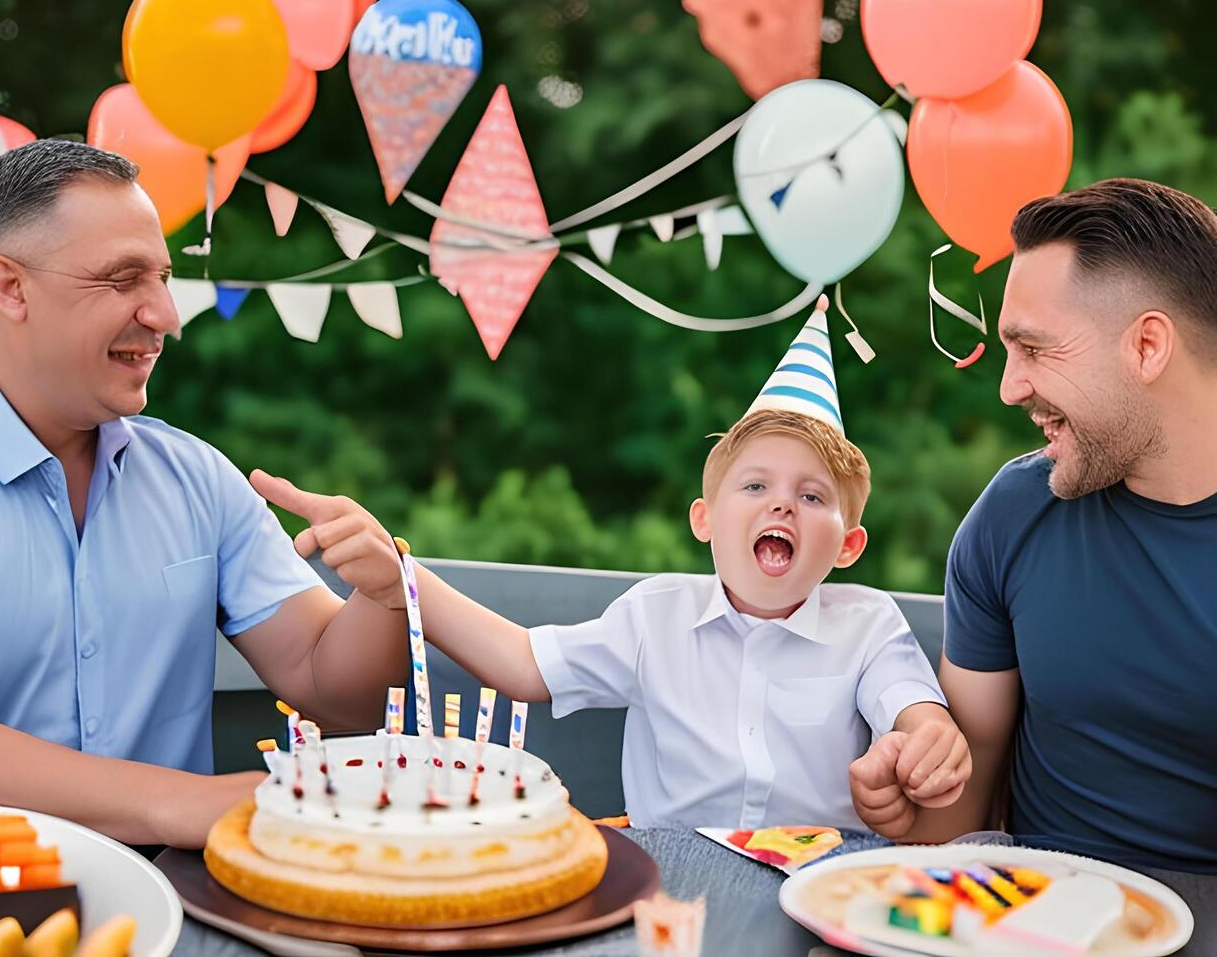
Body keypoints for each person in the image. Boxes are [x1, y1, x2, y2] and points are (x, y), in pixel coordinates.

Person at [0, 140, 416, 850]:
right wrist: (179, 804)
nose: (164, 314)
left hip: (165, 911)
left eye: (162, 277)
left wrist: (381, 598)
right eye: (124, 279)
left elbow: (329, 687)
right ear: (10, 288)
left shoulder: (200, 479)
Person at [278, 298, 968, 831]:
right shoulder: (654, 617)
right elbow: (524, 663)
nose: (780, 506)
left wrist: (929, 744)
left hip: (819, 880)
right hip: (673, 872)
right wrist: (405, 581)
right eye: (755, 487)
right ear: (705, 521)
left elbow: (914, 713)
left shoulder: (867, 625)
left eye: (811, 496)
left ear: (847, 545)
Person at [848, 179, 1217, 872]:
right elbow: (959, 811)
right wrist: (910, 794)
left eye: (1035, 350)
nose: (1009, 387)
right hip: (1029, 914)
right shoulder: (1015, 514)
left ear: (1147, 347)